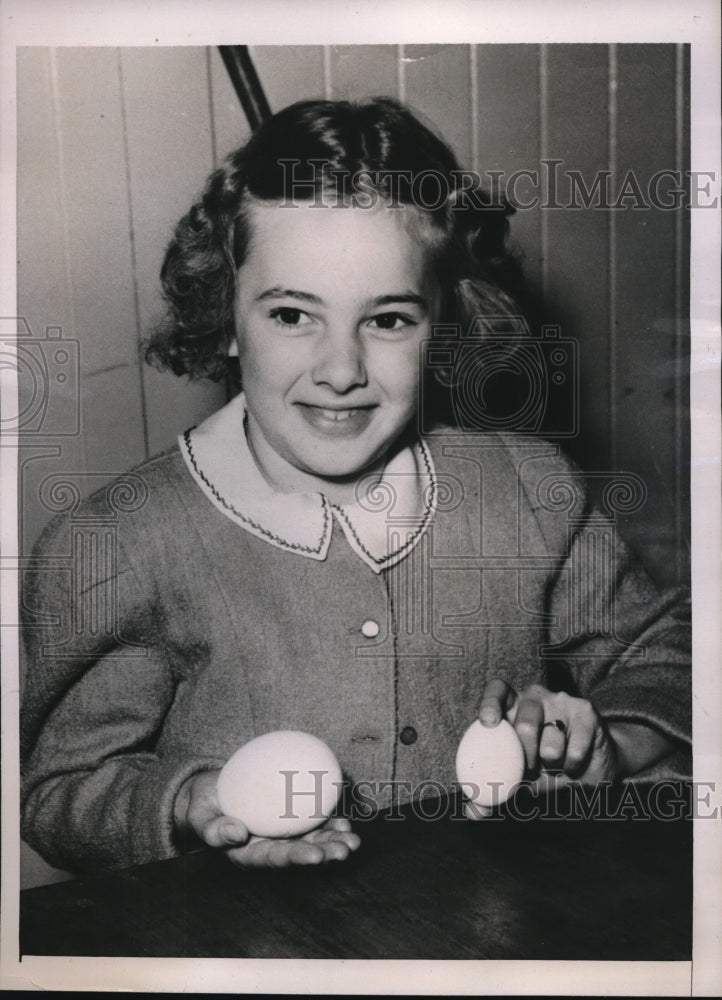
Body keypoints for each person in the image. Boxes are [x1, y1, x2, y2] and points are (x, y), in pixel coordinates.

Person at [20, 98, 691, 875]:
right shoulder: (122, 547)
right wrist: (190, 800)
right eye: (293, 314)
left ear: (443, 320)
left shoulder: (526, 490)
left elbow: (673, 649)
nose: (341, 370)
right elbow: (62, 787)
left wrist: (607, 740)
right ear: (225, 317)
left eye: (389, 321)